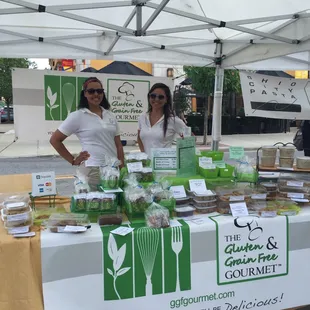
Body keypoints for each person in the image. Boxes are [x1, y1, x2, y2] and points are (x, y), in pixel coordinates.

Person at [50, 77, 124, 190]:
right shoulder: (77, 116)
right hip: (92, 170)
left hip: (112, 170)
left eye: (99, 91)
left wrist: (122, 167)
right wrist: (73, 160)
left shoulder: (110, 115)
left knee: (112, 205)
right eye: (91, 91)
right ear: (84, 94)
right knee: (94, 205)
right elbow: (55, 140)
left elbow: (118, 145)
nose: (96, 94)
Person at [137, 83, 189, 157]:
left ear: (166, 100)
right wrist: (144, 155)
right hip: (147, 166)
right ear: (149, 97)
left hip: (164, 166)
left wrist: (180, 156)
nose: (156, 99)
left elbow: (190, 139)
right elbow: (139, 138)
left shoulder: (173, 120)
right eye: (153, 96)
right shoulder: (142, 117)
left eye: (161, 97)